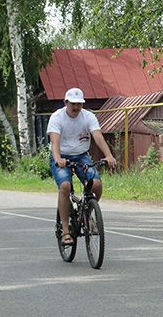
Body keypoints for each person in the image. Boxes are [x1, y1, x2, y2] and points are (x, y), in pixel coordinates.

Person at [47, 87, 116, 245]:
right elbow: (55, 140)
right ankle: (65, 231)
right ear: (66, 103)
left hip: (81, 155)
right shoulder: (57, 117)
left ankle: (85, 214)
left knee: (96, 184)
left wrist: (109, 155)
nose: (77, 107)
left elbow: (97, 135)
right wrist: (58, 158)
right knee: (65, 186)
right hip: (61, 156)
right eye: (73, 104)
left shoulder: (88, 116)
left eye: (79, 104)